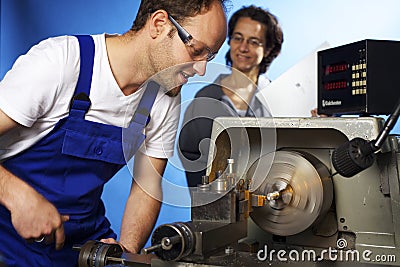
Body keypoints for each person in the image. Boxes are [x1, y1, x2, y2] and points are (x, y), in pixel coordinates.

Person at [0, 0, 227, 266]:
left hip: (84, 240)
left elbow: (147, 186)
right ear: (159, 24)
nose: (200, 69)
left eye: (208, 57)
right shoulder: (61, 62)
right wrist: (18, 197)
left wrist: (126, 248)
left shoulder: (165, 94)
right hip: (7, 237)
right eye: (196, 50)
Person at [178, 5, 283, 187]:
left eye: (253, 41)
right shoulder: (204, 98)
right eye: (238, 38)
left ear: (267, 49)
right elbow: (190, 153)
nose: (243, 48)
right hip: (214, 201)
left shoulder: (280, 100)